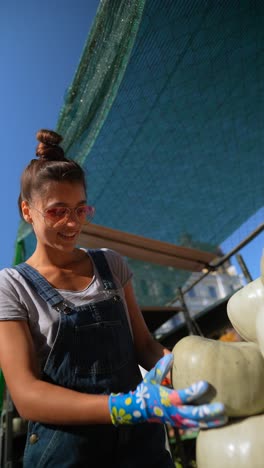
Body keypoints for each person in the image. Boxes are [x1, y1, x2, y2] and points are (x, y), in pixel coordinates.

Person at [0, 129, 227, 467]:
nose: (72, 222)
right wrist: (123, 408)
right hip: (68, 455)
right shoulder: (13, 285)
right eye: (56, 211)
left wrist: (195, 375)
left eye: (80, 210)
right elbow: (27, 396)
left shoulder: (111, 264)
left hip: (142, 450)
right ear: (26, 210)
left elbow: (145, 346)